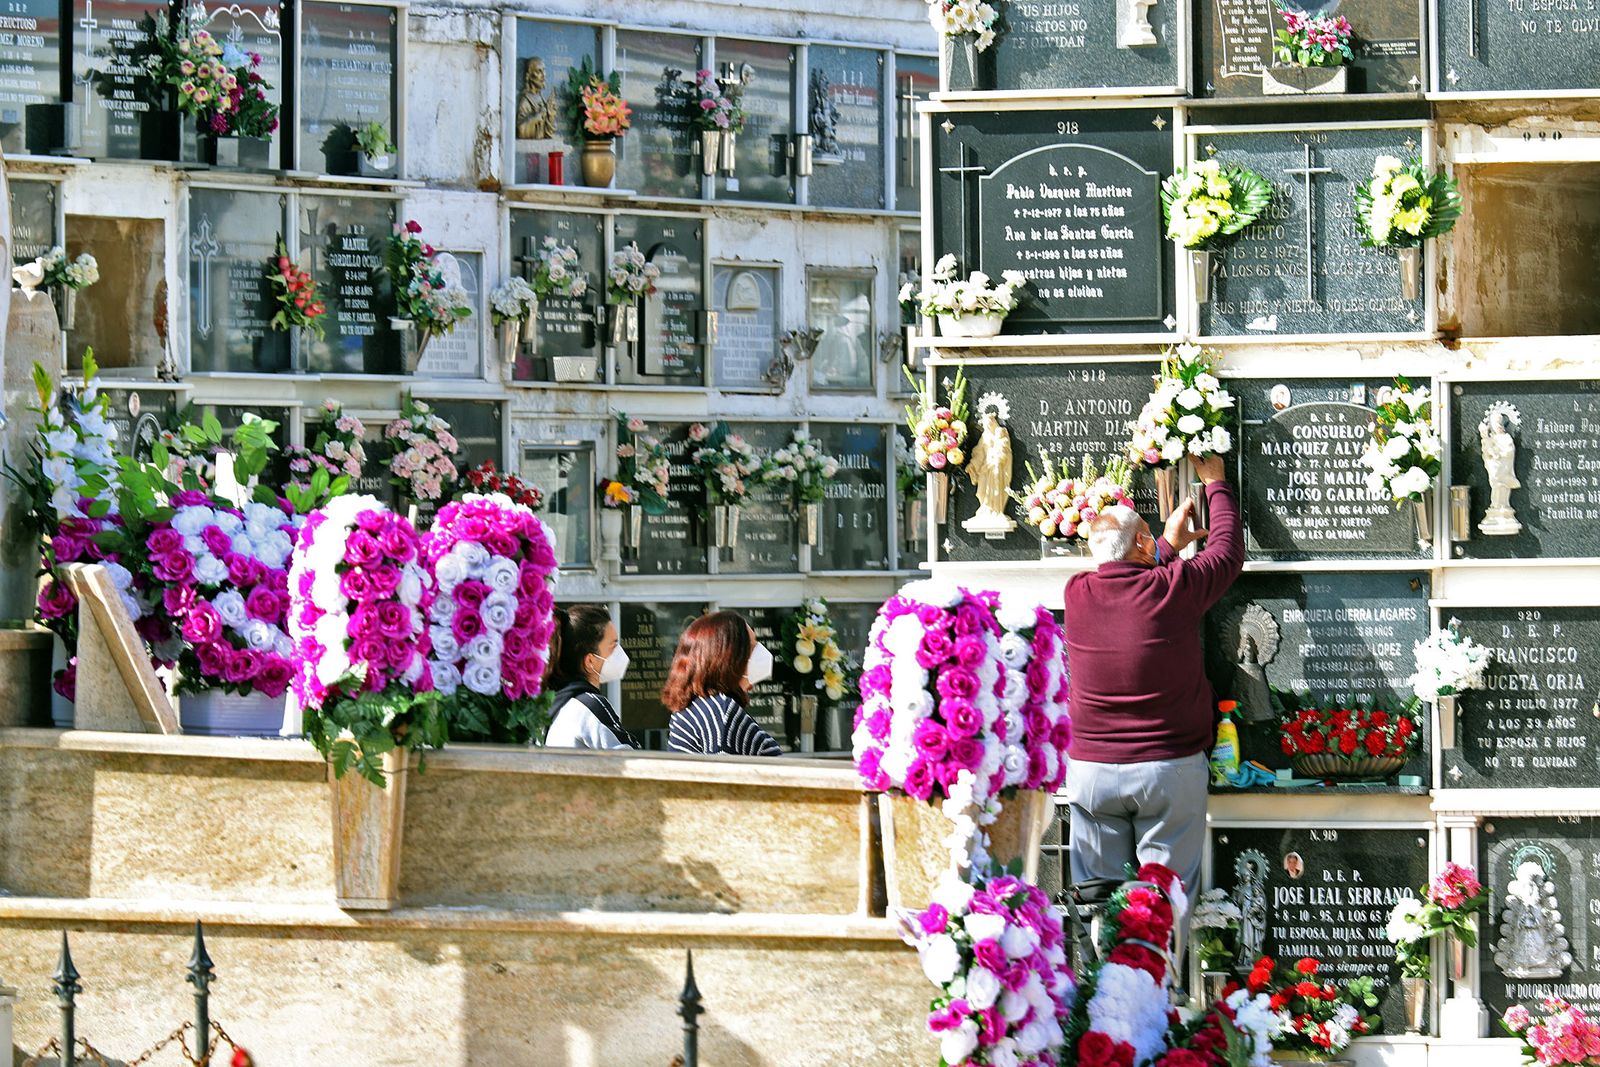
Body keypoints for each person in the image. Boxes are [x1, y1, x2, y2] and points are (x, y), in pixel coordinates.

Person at [1063, 452, 1244, 914]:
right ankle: (1156, 986)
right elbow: (1225, 554)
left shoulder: (1077, 595)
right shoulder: (1172, 589)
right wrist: (1216, 483)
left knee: (1100, 904)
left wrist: (1161, 544)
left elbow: (1124, 568)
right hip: (1166, 769)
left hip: (1092, 772)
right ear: (1141, 542)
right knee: (1162, 905)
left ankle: (1103, 984)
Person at [663, 610, 783, 757]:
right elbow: (723, 774)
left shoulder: (701, 707)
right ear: (729, 657)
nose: (760, 653)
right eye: (751, 647)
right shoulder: (721, 711)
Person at [544, 605, 640, 750]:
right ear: (590, 661)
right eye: (613, 645)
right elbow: (633, 763)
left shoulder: (556, 703)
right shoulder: (591, 705)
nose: (620, 652)